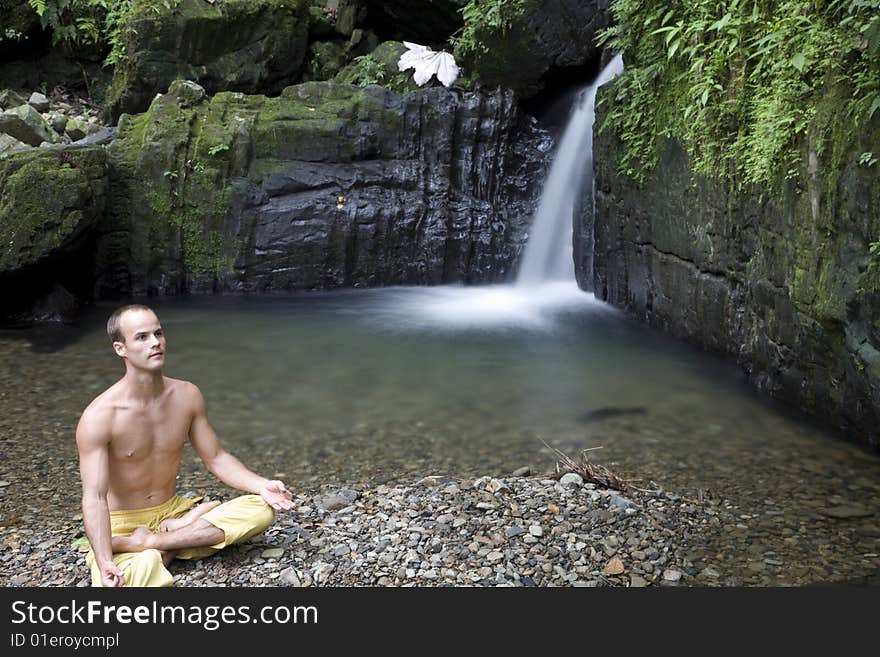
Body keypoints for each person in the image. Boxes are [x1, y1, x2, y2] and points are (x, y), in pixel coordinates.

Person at [76, 304, 295, 587]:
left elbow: (216, 457)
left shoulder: (187, 395)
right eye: (142, 337)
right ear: (121, 348)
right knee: (126, 580)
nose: (155, 342)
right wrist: (105, 560)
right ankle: (169, 544)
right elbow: (94, 497)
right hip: (121, 522)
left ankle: (154, 543)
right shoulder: (100, 417)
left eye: (158, 333)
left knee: (260, 508)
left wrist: (262, 485)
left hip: (173, 512)